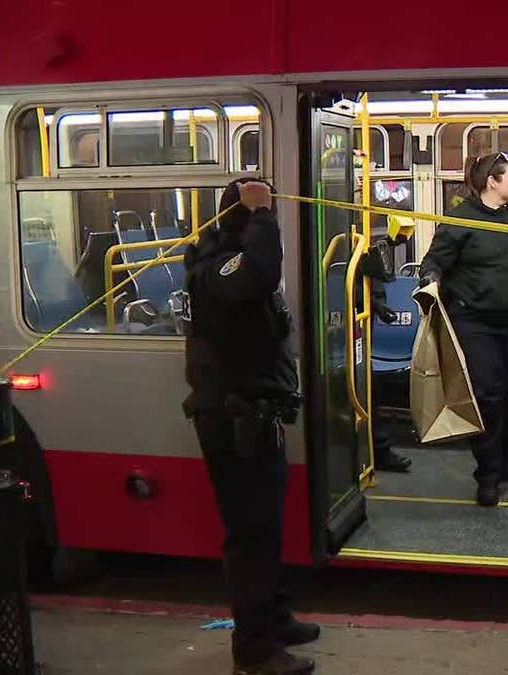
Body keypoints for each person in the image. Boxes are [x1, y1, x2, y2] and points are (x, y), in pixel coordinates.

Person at [182, 178, 317, 675]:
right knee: (250, 537)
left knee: (267, 528)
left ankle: (275, 620)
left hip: (258, 416)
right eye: (260, 217)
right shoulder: (217, 270)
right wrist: (262, 214)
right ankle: (255, 653)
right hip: (235, 421)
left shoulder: (225, 264)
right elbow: (259, 272)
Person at [419, 152, 508, 507]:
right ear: (493, 181)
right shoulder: (459, 220)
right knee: (487, 394)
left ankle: (506, 459)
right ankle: (487, 474)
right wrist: (430, 279)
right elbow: (433, 262)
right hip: (476, 323)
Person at [358, 238, 412, 473]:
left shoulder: (356, 235)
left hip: (356, 320)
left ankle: (376, 450)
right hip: (332, 318)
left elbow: (369, 278)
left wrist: (377, 304)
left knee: (369, 389)